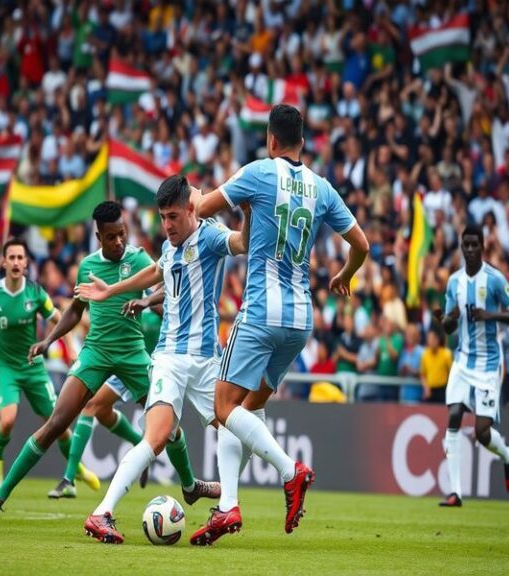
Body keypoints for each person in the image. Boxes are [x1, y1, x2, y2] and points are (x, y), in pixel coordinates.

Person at [0, 202, 215, 528]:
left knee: (169, 427)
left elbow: (167, 285)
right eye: (111, 237)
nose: (118, 242)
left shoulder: (139, 258)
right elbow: (75, 310)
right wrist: (49, 340)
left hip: (133, 354)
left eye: (122, 234)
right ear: (98, 236)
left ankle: (189, 487)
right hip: (95, 354)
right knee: (55, 424)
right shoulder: (88, 265)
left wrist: (145, 299)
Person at [191, 104, 369, 541]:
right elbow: (361, 244)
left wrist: (192, 193)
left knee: (223, 408)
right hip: (299, 320)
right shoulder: (321, 187)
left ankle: (290, 471)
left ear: (271, 140)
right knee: (247, 410)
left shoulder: (259, 171)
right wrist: (344, 274)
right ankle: (228, 507)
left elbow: (203, 210)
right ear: (302, 144)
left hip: (260, 312)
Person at [77, 177, 251, 544]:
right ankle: (101, 513)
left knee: (235, 429)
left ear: (191, 209)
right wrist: (113, 290)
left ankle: (225, 507)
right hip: (170, 358)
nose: (167, 225)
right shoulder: (169, 246)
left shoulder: (211, 236)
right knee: (154, 439)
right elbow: (156, 271)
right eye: (162, 217)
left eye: (173, 216)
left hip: (206, 361)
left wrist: (246, 212)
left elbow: (244, 242)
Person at [0, 238, 98, 493]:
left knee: (58, 424)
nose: (16, 262)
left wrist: (70, 346)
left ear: (26, 263)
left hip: (33, 367)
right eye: (12, 257)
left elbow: (57, 318)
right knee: (8, 420)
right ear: (4, 262)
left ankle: (78, 470)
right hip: (6, 367)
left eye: (21, 257)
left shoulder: (36, 293)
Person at [434, 224, 509, 507]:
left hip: (488, 365)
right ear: (461, 247)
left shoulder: (495, 280)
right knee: (454, 415)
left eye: (475, 245)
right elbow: (449, 327)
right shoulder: (454, 282)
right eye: (466, 245)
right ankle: (456, 493)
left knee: (482, 433)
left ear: (483, 246)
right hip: (462, 359)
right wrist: (445, 319)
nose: (470, 249)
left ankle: (508, 455)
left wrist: (490, 315)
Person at [46, 287, 164, 499]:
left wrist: (151, 302)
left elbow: (173, 319)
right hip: (125, 362)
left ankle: (189, 484)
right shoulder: (130, 290)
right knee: (96, 408)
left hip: (147, 367)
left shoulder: (159, 299)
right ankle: (69, 479)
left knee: (168, 430)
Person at [420, 328, 453, 403]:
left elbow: (451, 373)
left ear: (438, 339)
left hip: (442, 389)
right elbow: (422, 374)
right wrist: (426, 388)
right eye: (429, 338)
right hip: (430, 390)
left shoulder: (446, 354)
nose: (431, 341)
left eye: (433, 338)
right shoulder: (425, 354)